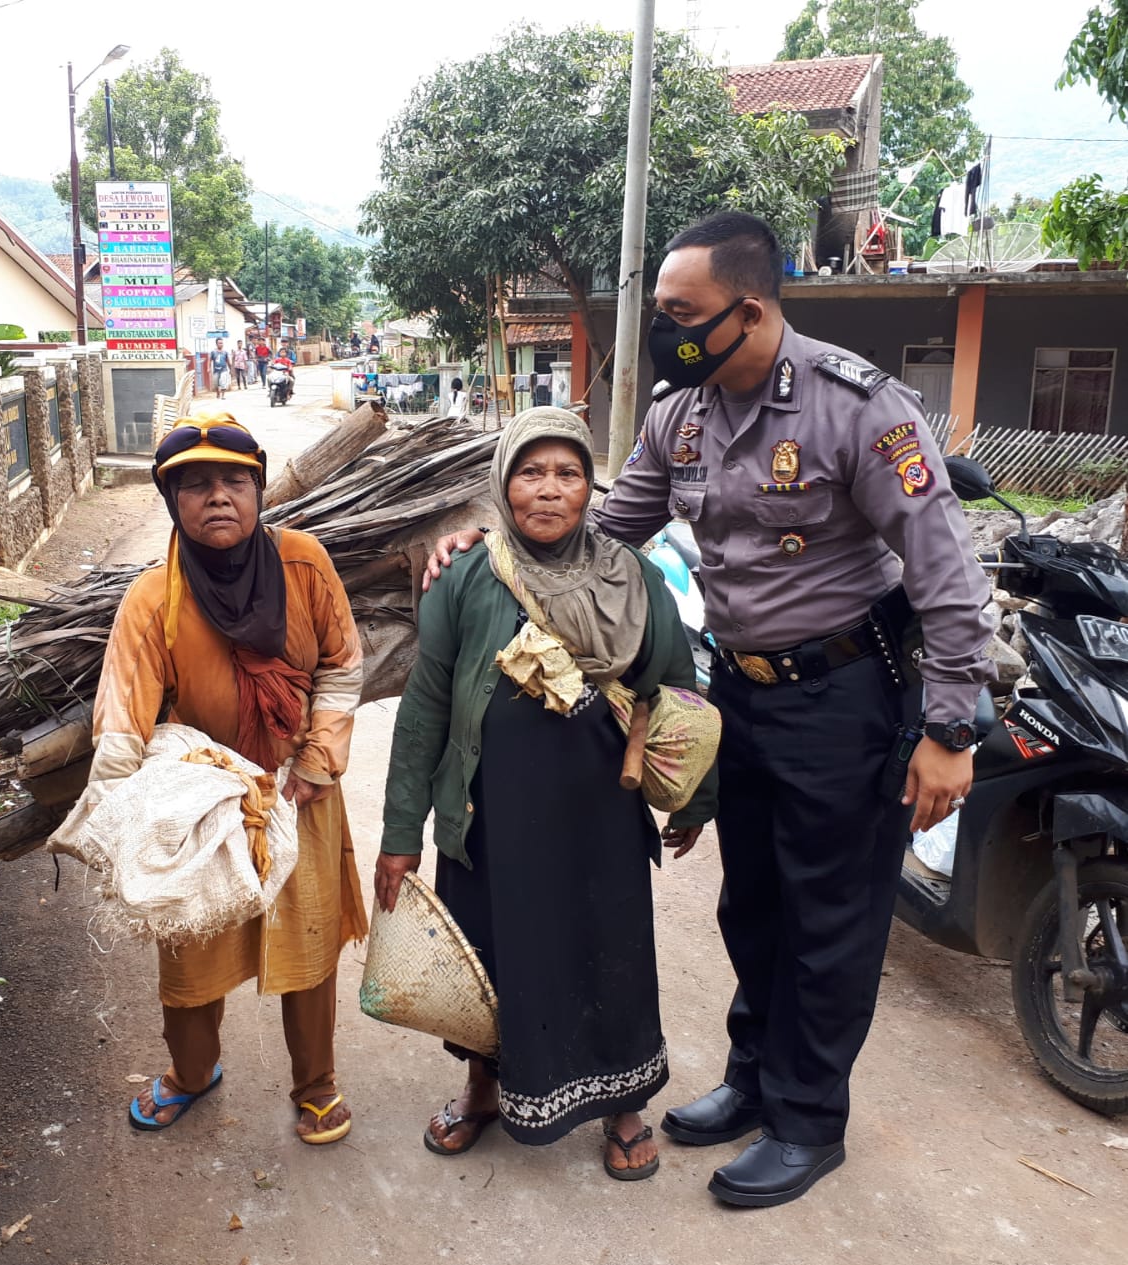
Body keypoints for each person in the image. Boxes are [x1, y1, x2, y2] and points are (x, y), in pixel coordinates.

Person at [423, 210, 994, 1206]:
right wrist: (489, 547)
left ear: (751, 309)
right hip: (741, 695)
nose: (666, 331)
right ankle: (752, 1079)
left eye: (681, 314)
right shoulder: (679, 415)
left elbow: (946, 573)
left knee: (831, 918)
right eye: (659, 313)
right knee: (754, 904)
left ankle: (810, 1119)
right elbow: (602, 529)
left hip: (846, 697)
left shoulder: (860, 408)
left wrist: (951, 729)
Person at [376, 407, 715, 1180]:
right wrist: (402, 832)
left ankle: (625, 1102)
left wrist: (693, 798)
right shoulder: (465, 577)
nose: (550, 490)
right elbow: (425, 708)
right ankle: (482, 1087)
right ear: (503, 482)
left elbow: (678, 693)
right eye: (532, 472)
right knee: (489, 949)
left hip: (600, 809)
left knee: (610, 947)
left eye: (568, 473)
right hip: (492, 814)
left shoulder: (634, 577)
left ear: (591, 487)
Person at [86, 411, 367, 1143]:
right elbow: (123, 714)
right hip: (199, 801)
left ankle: (317, 1084)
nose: (219, 497)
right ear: (171, 499)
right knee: (191, 951)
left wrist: (318, 759)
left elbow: (341, 665)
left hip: (298, 789)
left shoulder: (303, 563)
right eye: (197, 484)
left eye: (235, 481)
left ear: (260, 490)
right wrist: (117, 823)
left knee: (306, 945)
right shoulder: (154, 597)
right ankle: (191, 1072)